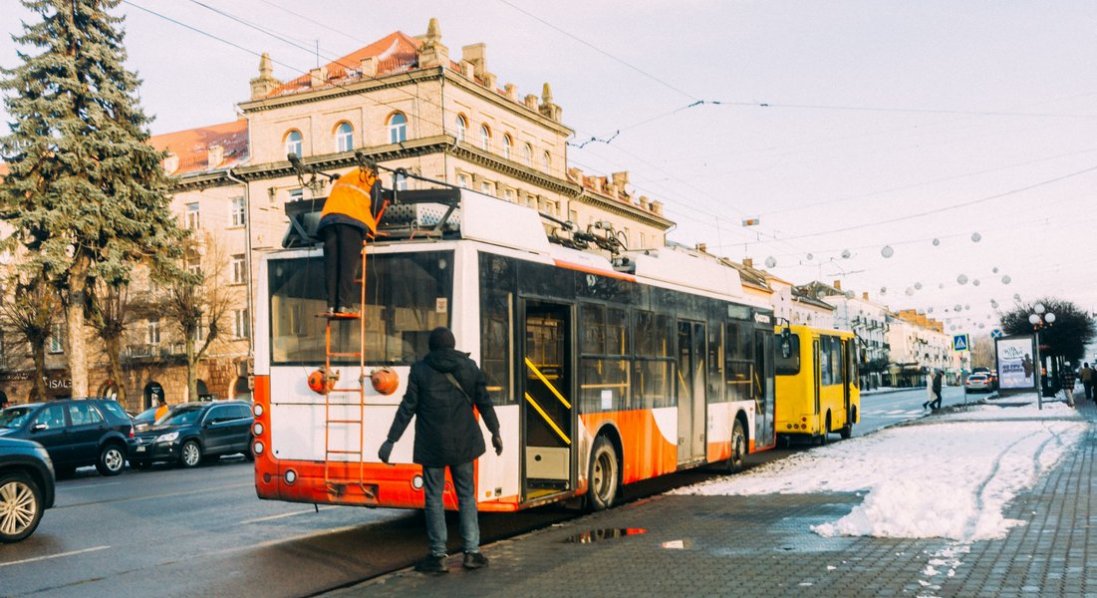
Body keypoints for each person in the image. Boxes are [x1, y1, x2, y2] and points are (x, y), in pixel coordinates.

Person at [378, 327, 502, 574]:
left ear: (432, 347)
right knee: (466, 495)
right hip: (464, 443)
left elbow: (407, 408)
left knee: (434, 498)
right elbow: (484, 402)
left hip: (432, 443)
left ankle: (437, 556)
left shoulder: (420, 370)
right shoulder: (469, 367)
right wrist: (495, 431)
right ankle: (472, 552)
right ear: (453, 345)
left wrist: (390, 440)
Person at [316, 164, 381, 314]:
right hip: (351, 221)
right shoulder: (370, 177)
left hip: (328, 221)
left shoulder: (345, 178)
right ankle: (344, 304)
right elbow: (377, 202)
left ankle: (332, 305)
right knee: (347, 265)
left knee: (332, 265)